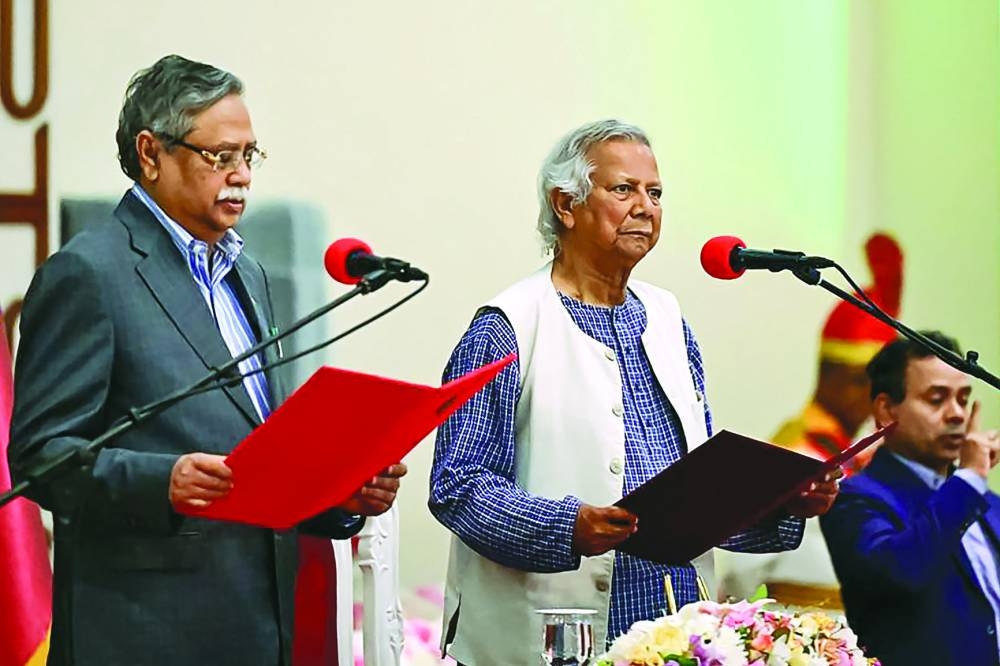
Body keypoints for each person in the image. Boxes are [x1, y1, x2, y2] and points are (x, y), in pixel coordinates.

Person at [7, 54, 406, 666]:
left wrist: (336, 496)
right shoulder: (89, 273)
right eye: (220, 156)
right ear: (151, 153)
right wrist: (160, 482)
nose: (242, 175)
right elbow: (41, 456)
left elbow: (250, 453)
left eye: (250, 155)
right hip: (145, 633)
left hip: (254, 624)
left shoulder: (247, 273)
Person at [428, 119, 839, 665]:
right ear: (565, 205)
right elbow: (458, 487)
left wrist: (785, 506)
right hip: (551, 639)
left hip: (674, 635)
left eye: (656, 192)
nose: (645, 206)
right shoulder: (509, 326)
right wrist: (567, 526)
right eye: (623, 189)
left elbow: (701, 497)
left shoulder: (669, 320)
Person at [717, 233, 904, 607]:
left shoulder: (867, 456)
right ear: (829, 376)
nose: (870, 399)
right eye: (859, 382)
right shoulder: (796, 452)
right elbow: (741, 569)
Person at [820, 332, 1000, 666]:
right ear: (887, 410)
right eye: (936, 399)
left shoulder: (987, 502)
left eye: (962, 399)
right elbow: (900, 572)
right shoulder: (856, 499)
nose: (957, 414)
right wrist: (969, 479)